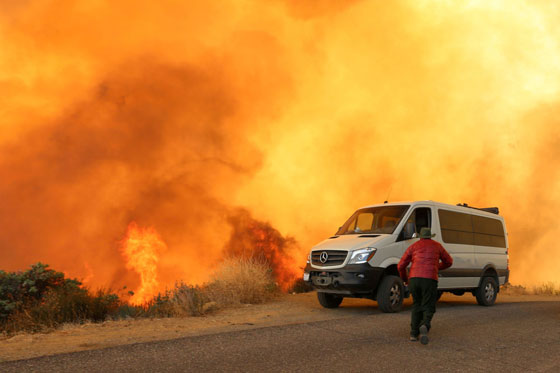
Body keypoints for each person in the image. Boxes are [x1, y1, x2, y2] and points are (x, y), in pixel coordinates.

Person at [398, 227, 453, 345]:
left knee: (416, 304)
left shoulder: (413, 246)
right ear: (430, 236)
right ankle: (424, 324)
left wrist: (405, 279)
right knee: (428, 305)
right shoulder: (437, 246)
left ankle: (413, 334)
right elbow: (449, 261)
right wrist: (437, 267)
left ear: (420, 236)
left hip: (414, 279)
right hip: (430, 279)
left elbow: (400, 266)